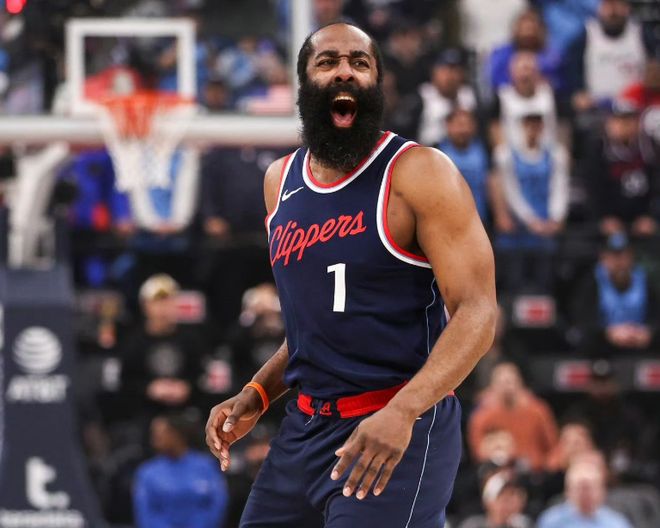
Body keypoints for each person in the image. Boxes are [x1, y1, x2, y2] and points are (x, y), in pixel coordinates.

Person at [205, 21, 497, 527]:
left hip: (398, 421)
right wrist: (258, 390)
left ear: (377, 84)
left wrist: (403, 411)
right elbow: (317, 325)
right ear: (303, 84)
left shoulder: (420, 173)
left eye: (359, 63)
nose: (345, 72)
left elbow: (478, 312)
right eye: (328, 62)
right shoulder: (280, 181)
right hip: (304, 428)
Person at [134, 412, 228, 528]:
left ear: (177, 434)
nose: (156, 438)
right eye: (154, 433)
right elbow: (146, 514)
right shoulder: (147, 472)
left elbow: (217, 503)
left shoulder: (206, 466)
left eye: (162, 433)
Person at [571, 232, 658, 356]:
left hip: (640, 346)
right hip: (603, 349)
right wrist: (608, 333)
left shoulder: (645, 280)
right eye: (614, 257)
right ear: (604, 258)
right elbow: (583, 321)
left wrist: (648, 332)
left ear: (632, 257)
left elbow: (655, 316)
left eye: (624, 256)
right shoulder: (591, 282)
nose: (620, 262)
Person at [468, 362, 559, 473]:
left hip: (535, 472)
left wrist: (547, 467)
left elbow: (553, 446)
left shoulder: (538, 411)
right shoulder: (482, 416)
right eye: (501, 383)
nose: (506, 387)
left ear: (520, 383)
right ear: (492, 387)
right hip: (498, 471)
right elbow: (477, 451)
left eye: (510, 381)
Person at [537, 460, 633, 528]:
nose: (586, 494)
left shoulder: (616, 523)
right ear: (568, 491)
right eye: (580, 488)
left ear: (602, 491)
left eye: (590, 488)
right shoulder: (551, 521)